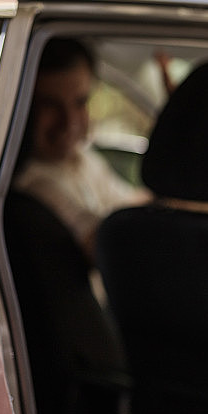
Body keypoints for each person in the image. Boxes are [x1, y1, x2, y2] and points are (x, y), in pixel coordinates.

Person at [13, 38, 150, 260]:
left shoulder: (82, 159)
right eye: (50, 105)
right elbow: (104, 246)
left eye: (80, 102)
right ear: (22, 106)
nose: (69, 122)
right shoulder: (31, 184)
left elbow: (126, 208)